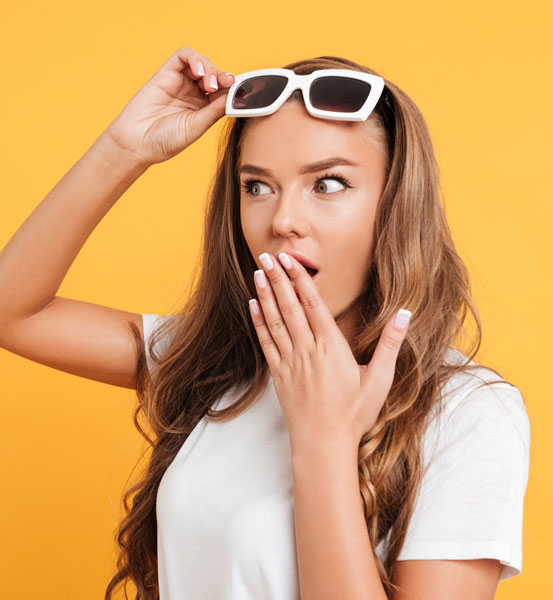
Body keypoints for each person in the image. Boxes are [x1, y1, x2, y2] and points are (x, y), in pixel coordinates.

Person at [0, 46, 530, 600]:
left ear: (397, 203)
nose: (282, 220)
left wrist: (324, 441)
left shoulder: (468, 413)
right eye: (257, 186)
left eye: (328, 183)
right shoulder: (220, 361)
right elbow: (16, 311)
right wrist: (125, 149)